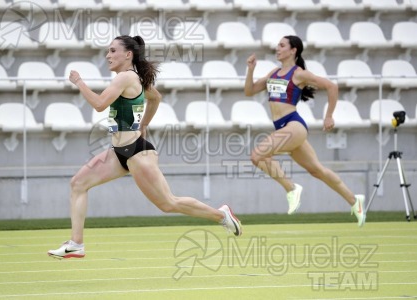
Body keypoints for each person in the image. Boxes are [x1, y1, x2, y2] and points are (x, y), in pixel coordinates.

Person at [48, 35, 242, 259]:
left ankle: (221, 215)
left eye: (112, 51)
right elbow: (155, 98)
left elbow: (100, 104)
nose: (108, 55)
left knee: (169, 203)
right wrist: (144, 124)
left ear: (128, 55)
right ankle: (76, 244)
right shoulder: (134, 79)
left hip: (138, 152)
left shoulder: (125, 77)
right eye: (108, 51)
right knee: (78, 184)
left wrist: (79, 82)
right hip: (118, 152)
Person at [244, 35, 365, 227]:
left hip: (294, 125)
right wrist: (250, 70)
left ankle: (291, 189)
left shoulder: (298, 73)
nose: (278, 48)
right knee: (317, 171)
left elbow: (331, 86)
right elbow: (249, 91)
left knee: (257, 155)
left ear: (293, 51)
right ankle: (354, 201)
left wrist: (329, 116)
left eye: (282, 45)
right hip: (283, 127)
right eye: (278, 45)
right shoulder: (274, 72)